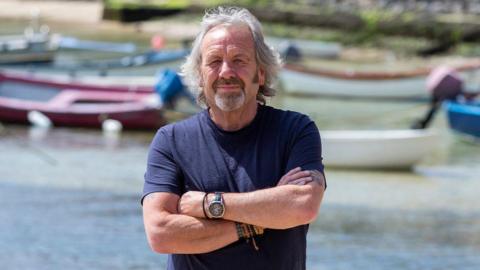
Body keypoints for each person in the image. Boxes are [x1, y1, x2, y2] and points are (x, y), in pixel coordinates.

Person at [141, 6, 326, 270]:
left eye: (239, 60)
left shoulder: (295, 130)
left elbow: (302, 205)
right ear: (200, 74)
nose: (226, 71)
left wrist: (207, 204)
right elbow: (160, 233)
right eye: (214, 61)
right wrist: (255, 221)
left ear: (260, 73)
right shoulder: (171, 141)